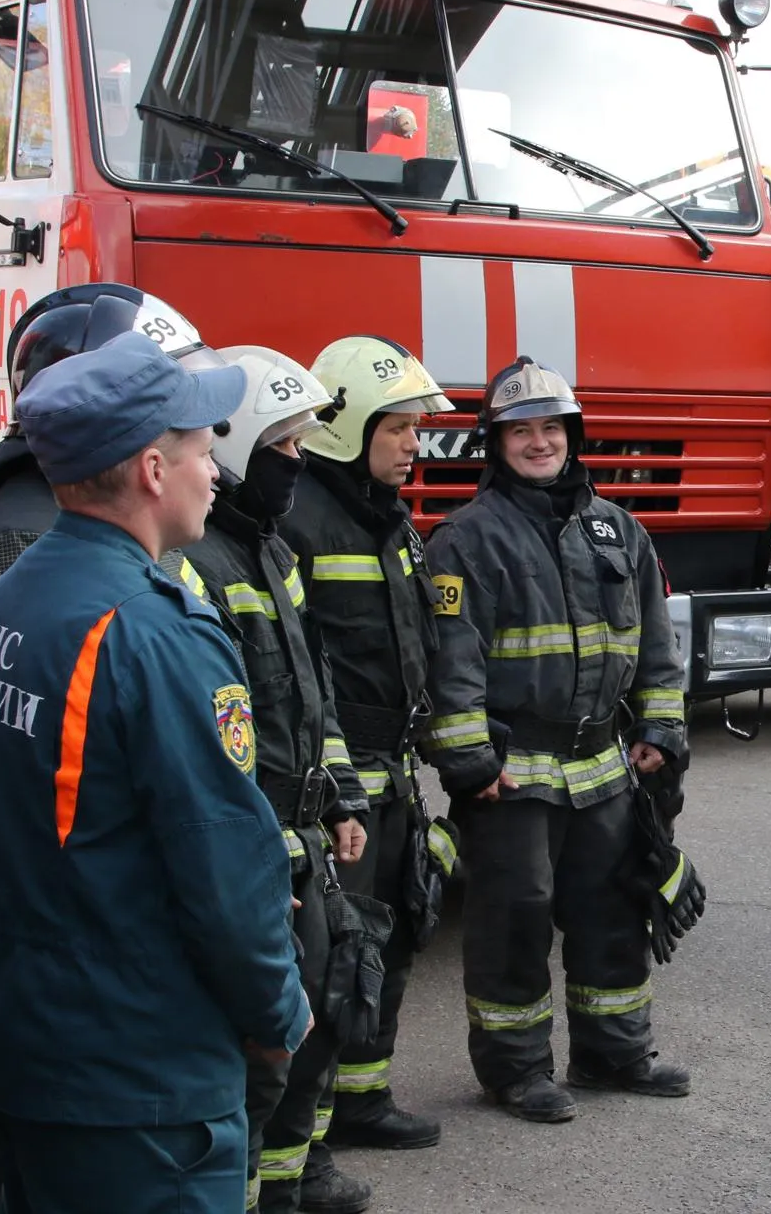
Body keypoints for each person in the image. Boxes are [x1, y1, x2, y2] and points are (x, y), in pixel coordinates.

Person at [0, 333, 309, 1214]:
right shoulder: (156, 634)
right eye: (201, 445)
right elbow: (225, 869)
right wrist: (277, 1021)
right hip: (138, 1078)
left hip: (26, 1045)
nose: (217, 469)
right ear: (153, 469)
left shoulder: (7, 596)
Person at [0, 284, 225, 1214]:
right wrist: (275, 1010)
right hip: (109, 1035)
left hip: (45, 1008)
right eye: (166, 397)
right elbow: (205, 844)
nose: (203, 453)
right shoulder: (39, 562)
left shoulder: (36, 558)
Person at [422, 359, 691, 1124]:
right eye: (520, 431)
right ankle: (516, 1070)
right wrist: (469, 762)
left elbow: (655, 646)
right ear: (495, 443)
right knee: (515, 919)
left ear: (572, 436)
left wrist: (662, 728)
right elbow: (454, 662)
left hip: (603, 766)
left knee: (612, 910)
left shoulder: (617, 529)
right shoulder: (466, 540)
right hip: (512, 774)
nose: (538, 443)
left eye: (551, 427)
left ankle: (614, 1054)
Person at [181, 345, 376, 1214]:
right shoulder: (200, 567)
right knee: (259, 1049)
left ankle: (295, 1183)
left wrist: (339, 795)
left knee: (321, 1019)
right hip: (259, 847)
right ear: (233, 449)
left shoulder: (277, 557)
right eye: (286, 444)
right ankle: (255, 1195)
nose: (298, 462)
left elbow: (313, 693)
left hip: (303, 838)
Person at [279, 337, 455, 1158]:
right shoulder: (300, 521)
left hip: (394, 776)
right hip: (339, 783)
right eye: (401, 428)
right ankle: (300, 1145)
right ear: (346, 428)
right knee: (331, 955)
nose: (416, 444)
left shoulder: (392, 522)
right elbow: (300, 671)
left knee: (390, 935)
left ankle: (364, 1098)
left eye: (417, 428)